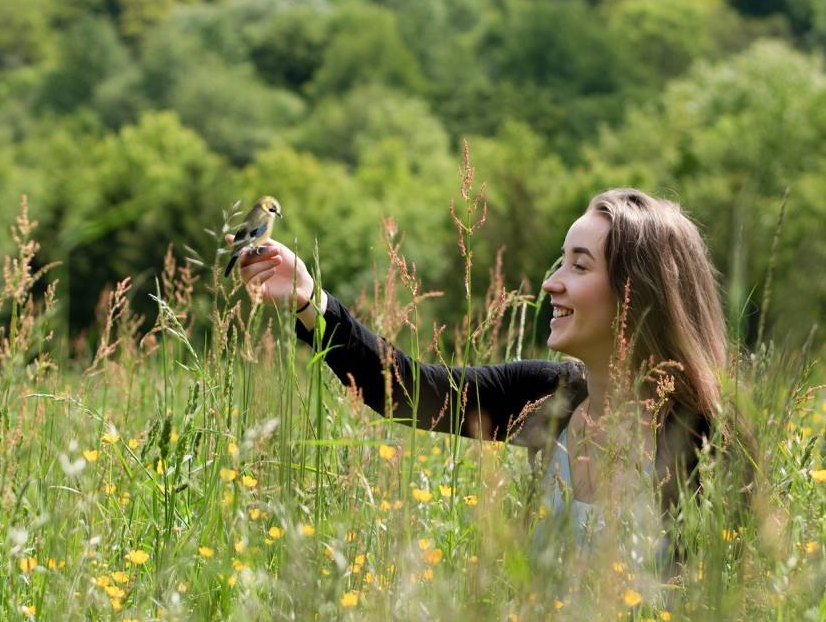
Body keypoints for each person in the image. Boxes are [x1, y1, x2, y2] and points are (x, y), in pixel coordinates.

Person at [231, 188, 731, 577]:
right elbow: (403, 390)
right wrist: (305, 296)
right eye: (560, 261)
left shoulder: (705, 435)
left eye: (579, 265)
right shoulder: (546, 396)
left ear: (636, 292)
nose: (551, 283)